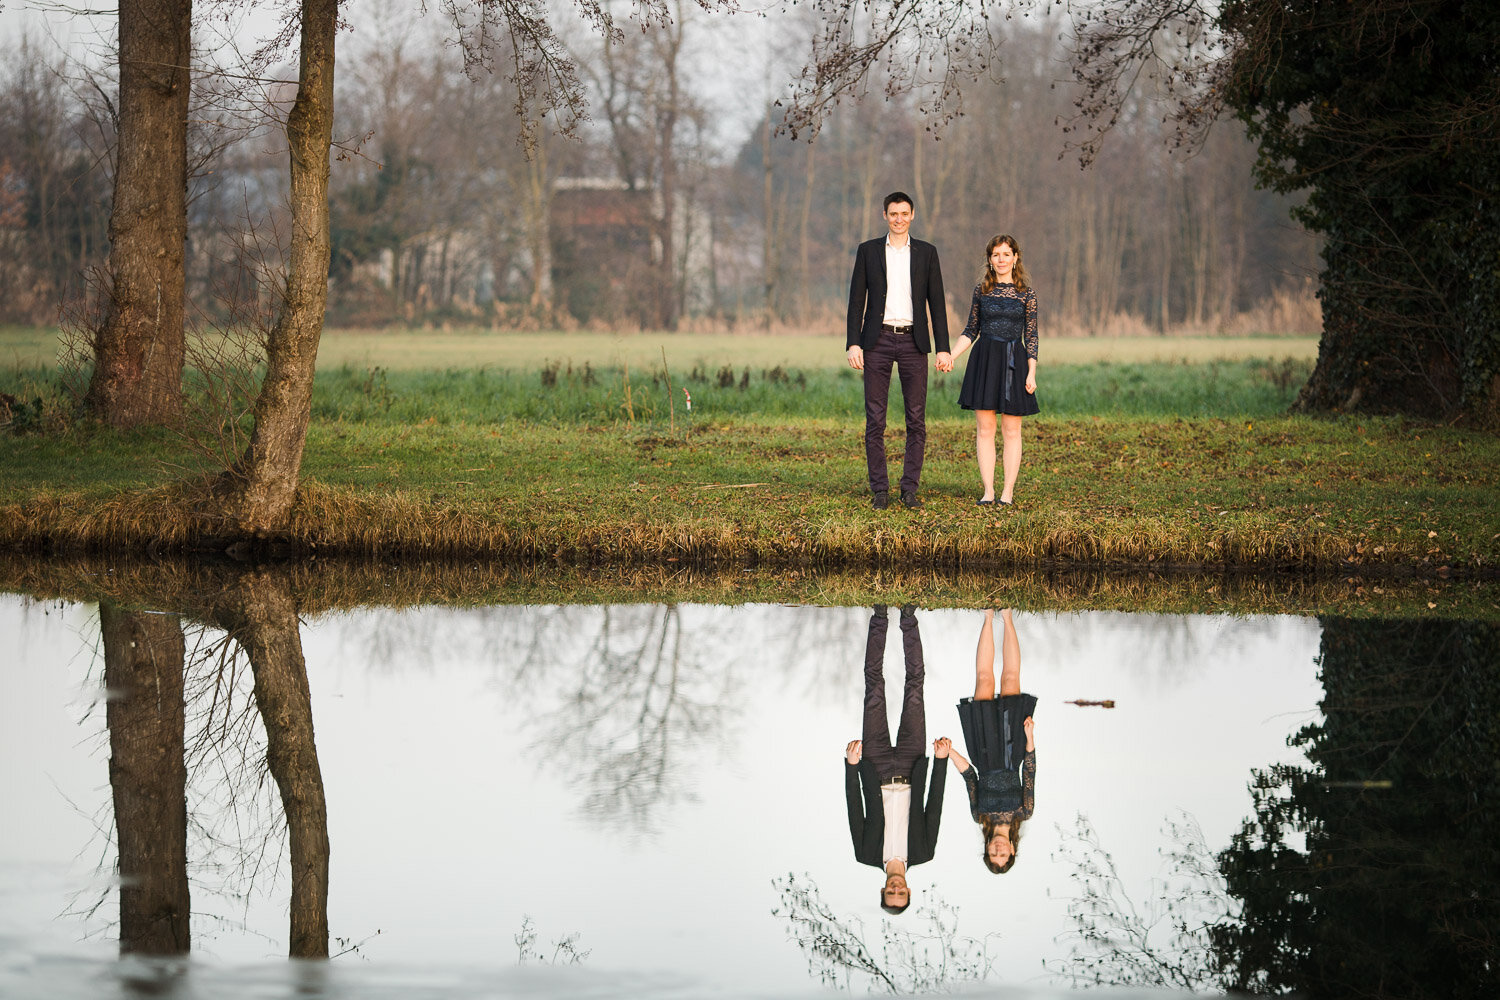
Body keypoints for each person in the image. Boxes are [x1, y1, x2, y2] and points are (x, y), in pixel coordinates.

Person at [846, 192, 951, 510]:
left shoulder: (927, 253)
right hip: (876, 341)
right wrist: (853, 342)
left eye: (904, 213)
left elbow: (938, 304)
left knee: (916, 419)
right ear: (884, 215)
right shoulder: (868, 251)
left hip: (913, 341)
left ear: (913, 215)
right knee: (875, 420)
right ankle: (880, 490)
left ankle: (909, 490)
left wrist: (943, 349)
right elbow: (856, 301)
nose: (899, 219)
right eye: (894, 213)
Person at [844, 605, 949, 913]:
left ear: (883, 890)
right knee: (915, 687)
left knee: (873, 686)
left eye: (890, 894)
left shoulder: (865, 854)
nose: (896, 889)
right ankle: (908, 617)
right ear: (909, 891)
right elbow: (935, 805)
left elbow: (854, 808)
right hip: (910, 764)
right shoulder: (924, 852)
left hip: (874, 766)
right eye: (901, 895)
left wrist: (851, 767)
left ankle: (879, 617)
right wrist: (941, 761)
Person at [942, 234, 1039, 506]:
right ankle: (988, 491)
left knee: (1012, 431)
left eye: (1006, 254)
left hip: (1014, 362)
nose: (1001, 259)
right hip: (984, 360)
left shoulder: (1026, 294)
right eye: (996, 254)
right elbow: (971, 330)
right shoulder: (981, 291)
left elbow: (1031, 337)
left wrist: (1031, 372)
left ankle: (1007, 492)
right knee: (985, 430)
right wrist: (951, 356)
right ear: (989, 259)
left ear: (1015, 258)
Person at [942, 608, 1036, 874]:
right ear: (1012, 850)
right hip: (1011, 750)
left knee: (983, 680)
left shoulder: (979, 816)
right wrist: (1030, 738)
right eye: (1003, 854)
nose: (998, 850)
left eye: (993, 854)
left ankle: (987, 616)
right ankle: (1006, 616)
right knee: (1010, 679)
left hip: (982, 753)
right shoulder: (1024, 812)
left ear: (986, 849)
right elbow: (1029, 771)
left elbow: (970, 777)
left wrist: (950, 753)